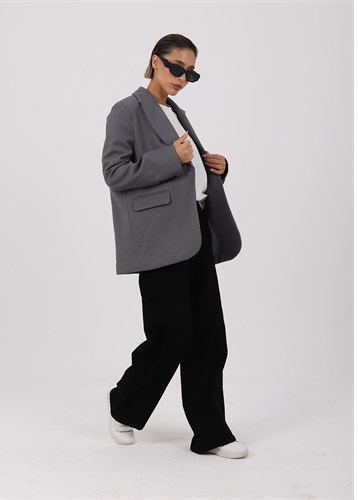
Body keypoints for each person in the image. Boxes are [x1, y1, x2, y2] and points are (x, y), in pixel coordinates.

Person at [101, 34, 248, 459]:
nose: (183, 78)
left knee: (210, 336)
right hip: (159, 237)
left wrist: (215, 166)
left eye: (191, 73)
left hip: (194, 229)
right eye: (177, 68)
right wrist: (173, 156)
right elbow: (115, 172)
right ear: (155, 61)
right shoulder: (127, 110)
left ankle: (211, 433)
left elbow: (189, 170)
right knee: (172, 334)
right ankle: (124, 408)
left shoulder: (176, 111)